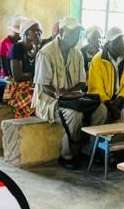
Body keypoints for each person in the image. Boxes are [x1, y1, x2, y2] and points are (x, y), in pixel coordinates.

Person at [33, 16, 107, 169]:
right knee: (75, 115)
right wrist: (62, 95)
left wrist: (70, 93)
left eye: (77, 33)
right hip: (49, 99)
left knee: (101, 110)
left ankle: (88, 151)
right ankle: (67, 155)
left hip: (72, 98)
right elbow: (44, 86)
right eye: (71, 33)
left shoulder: (77, 54)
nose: (75, 37)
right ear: (61, 32)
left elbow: (81, 82)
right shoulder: (46, 53)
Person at [88, 27, 124, 123]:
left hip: (120, 98)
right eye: (116, 42)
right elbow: (96, 89)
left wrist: (120, 99)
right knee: (103, 112)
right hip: (103, 100)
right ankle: (97, 137)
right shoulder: (97, 60)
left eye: (121, 41)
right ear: (108, 44)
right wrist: (110, 105)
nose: (120, 46)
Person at [3, 18, 41, 118]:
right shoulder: (17, 48)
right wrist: (34, 76)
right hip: (17, 88)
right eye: (36, 31)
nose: (39, 33)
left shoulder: (34, 49)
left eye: (39, 31)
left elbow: (38, 69)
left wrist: (37, 47)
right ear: (27, 33)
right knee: (37, 100)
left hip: (30, 85)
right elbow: (18, 76)